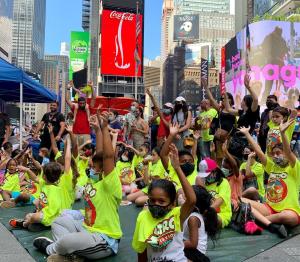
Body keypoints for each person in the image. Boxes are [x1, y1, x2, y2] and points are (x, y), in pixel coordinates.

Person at [33, 112, 123, 261]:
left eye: (93, 167)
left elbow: (107, 156)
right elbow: (100, 153)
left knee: (66, 242)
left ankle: (51, 248)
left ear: (102, 170)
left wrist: (105, 128)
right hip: (86, 227)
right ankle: (71, 255)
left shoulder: (111, 184)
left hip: (104, 238)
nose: (90, 167)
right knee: (57, 221)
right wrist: (98, 130)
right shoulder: (93, 181)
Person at [132, 144, 196, 262]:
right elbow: (141, 252)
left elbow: (191, 200)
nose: (156, 204)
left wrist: (177, 168)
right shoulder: (143, 217)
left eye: (161, 201)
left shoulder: (177, 215)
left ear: (172, 204)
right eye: (152, 200)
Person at [239, 122, 300, 238]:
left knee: (287, 216)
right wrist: (247, 134)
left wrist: (282, 133)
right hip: (268, 208)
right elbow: (259, 152)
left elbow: (288, 151)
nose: (275, 156)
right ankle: (264, 221)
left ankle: (258, 221)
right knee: (240, 200)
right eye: (274, 154)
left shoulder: (294, 167)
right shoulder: (272, 166)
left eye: (278, 153)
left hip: (289, 210)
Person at [8, 162, 64, 231]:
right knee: (28, 216)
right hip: (40, 212)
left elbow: (54, 208)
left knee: (33, 219)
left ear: (44, 176)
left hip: (48, 217)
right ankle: (28, 222)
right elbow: (35, 178)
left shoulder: (54, 190)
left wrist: (42, 214)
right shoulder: (45, 183)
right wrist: (27, 170)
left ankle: (24, 224)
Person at [183, 185, 219, 262]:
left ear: (193, 203)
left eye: (185, 197)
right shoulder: (191, 214)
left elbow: (193, 243)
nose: (182, 198)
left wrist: (176, 243)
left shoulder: (193, 218)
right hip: (191, 251)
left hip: (196, 254)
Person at [196, 158, 232, 229]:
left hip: (222, 215)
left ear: (215, 171)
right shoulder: (203, 183)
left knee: (208, 220)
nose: (206, 177)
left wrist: (205, 213)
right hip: (204, 213)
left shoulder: (223, 182)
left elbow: (219, 201)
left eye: (207, 174)